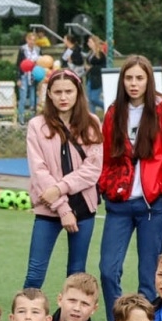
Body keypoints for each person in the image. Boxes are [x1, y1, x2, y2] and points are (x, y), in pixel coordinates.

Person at [96, 55, 162, 321]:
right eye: (129, 78)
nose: (134, 84)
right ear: (121, 81)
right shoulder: (114, 111)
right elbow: (106, 156)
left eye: (139, 78)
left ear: (149, 80)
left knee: (149, 276)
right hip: (119, 205)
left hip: (151, 206)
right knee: (108, 270)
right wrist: (106, 185)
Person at [23, 68, 103, 290]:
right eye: (57, 92)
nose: (63, 97)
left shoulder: (92, 122)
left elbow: (92, 169)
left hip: (83, 207)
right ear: (49, 94)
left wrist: (60, 188)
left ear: (78, 92)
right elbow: (38, 170)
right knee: (35, 273)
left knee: (77, 274)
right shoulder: (37, 126)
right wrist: (62, 208)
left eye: (68, 91)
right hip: (49, 207)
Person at [15, 31, 41, 122]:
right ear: (27, 40)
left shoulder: (38, 50)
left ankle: (32, 118)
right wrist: (18, 78)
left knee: (33, 98)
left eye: (34, 40)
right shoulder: (22, 49)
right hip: (24, 75)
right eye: (30, 40)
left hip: (34, 75)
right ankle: (21, 118)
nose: (32, 42)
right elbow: (18, 64)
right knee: (23, 97)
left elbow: (41, 62)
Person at [84, 36, 108, 110]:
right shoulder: (90, 54)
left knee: (94, 98)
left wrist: (91, 68)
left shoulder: (101, 54)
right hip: (90, 78)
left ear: (95, 43)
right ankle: (93, 119)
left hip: (97, 79)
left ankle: (107, 107)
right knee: (90, 101)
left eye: (90, 42)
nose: (88, 44)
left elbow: (103, 67)